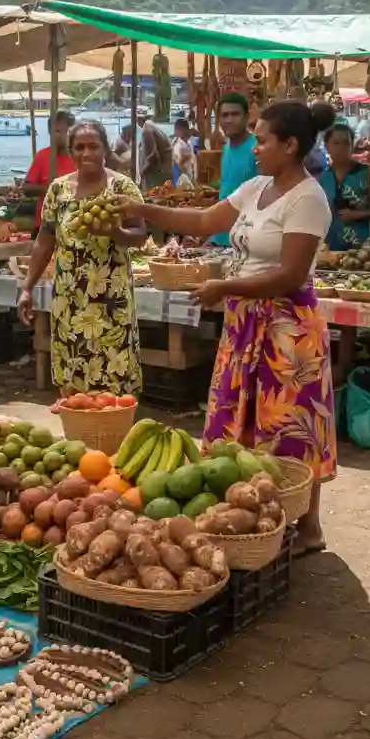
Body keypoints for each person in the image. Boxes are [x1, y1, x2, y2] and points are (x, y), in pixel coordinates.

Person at [117, 100, 339, 555]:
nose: (254, 148)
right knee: (240, 422)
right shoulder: (257, 187)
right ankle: (254, 519)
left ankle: (309, 526)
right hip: (244, 322)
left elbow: (291, 275)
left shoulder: (309, 199)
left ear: (290, 145)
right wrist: (142, 208)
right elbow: (204, 221)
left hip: (288, 328)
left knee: (290, 426)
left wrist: (225, 286)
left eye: (262, 140)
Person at [17, 120, 147, 395]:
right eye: (79, 147)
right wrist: (27, 288)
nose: (86, 153)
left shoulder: (122, 187)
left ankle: (115, 422)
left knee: (115, 379)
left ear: (106, 150)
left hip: (112, 301)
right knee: (73, 380)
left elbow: (140, 235)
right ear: (71, 151)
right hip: (69, 301)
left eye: (93, 146)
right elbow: (44, 241)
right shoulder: (58, 191)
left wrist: (115, 233)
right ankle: (77, 420)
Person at [319, 123, 370, 250]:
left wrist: (358, 214)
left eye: (346, 143)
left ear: (352, 146)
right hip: (330, 248)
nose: (341, 148)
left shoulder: (364, 173)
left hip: (362, 248)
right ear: (327, 147)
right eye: (336, 143)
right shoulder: (323, 178)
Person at [212, 92, 257, 246]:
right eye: (224, 115)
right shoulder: (227, 148)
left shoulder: (257, 149)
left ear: (246, 117)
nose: (229, 120)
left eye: (235, 114)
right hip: (222, 237)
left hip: (246, 240)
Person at [23, 110, 75, 230]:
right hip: (45, 225)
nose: (61, 136)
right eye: (57, 131)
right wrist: (52, 189)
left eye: (66, 131)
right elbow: (27, 188)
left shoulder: (79, 157)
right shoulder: (42, 156)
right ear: (50, 133)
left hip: (74, 224)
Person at [139, 114, 173, 191]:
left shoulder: (147, 129)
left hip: (157, 175)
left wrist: (141, 173)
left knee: (155, 195)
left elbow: (154, 157)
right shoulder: (152, 126)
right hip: (164, 172)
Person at [172, 117, 197, 188]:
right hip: (181, 180)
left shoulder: (189, 142)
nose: (175, 132)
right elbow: (178, 164)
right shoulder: (178, 145)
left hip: (189, 177)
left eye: (176, 129)